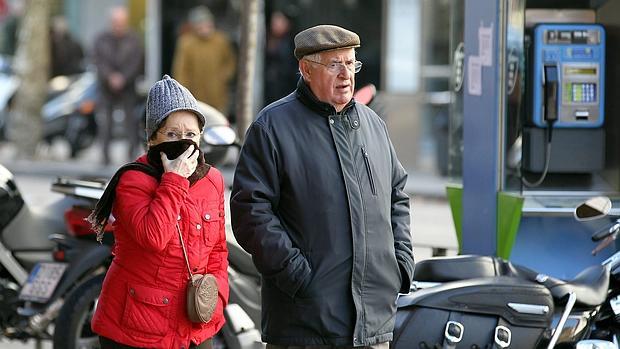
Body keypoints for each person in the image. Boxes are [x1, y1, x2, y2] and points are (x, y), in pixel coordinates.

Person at [230, 25, 415, 348]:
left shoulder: (373, 125)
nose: (346, 74)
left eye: (351, 63)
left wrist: (399, 263)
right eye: (334, 64)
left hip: (373, 326)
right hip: (306, 326)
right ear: (306, 69)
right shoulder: (272, 127)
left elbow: (397, 194)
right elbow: (250, 212)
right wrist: (297, 275)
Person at [90, 75, 229, 348]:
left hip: (195, 322)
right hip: (137, 326)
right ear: (153, 139)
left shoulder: (212, 179)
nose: (183, 142)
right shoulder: (133, 180)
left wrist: (217, 297)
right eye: (172, 135)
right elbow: (154, 236)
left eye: (191, 134)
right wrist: (174, 181)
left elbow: (218, 250)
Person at [93, 6, 144, 165]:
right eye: (116, 22)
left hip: (128, 87)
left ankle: (132, 154)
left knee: (131, 122)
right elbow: (98, 61)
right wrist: (110, 77)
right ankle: (105, 156)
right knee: (105, 122)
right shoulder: (101, 39)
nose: (119, 25)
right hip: (106, 87)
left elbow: (137, 62)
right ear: (111, 22)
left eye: (121, 22)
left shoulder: (134, 39)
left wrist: (123, 78)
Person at [172, 5, 236, 116]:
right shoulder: (186, 43)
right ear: (194, 26)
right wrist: (183, 93)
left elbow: (230, 62)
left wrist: (224, 76)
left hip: (218, 96)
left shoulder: (221, 40)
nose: (204, 28)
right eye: (200, 25)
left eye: (207, 23)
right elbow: (181, 70)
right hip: (195, 98)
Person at [263, 10, 298, 106]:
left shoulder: (292, 42)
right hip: (269, 88)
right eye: (274, 22)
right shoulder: (266, 40)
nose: (275, 25)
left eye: (279, 21)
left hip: (286, 87)